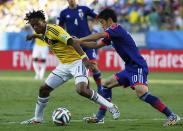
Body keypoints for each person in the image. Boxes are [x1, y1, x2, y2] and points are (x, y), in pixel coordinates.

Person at [75, 8, 180, 126]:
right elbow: (96, 44)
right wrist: (79, 43)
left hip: (137, 66)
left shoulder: (116, 29)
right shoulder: (112, 33)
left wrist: (80, 39)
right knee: (106, 84)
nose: (101, 26)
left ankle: (172, 115)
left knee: (141, 92)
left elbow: (98, 36)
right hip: (129, 68)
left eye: (102, 22)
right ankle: (100, 117)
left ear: (109, 20)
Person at [20, 10, 120, 124]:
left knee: (81, 90)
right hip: (64, 65)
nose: (36, 27)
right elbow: (44, 38)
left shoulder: (54, 30)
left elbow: (73, 42)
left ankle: (111, 106)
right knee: (43, 89)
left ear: (44, 21)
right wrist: (33, 36)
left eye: (37, 24)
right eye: (33, 26)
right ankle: (37, 119)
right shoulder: (44, 32)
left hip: (77, 61)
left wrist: (85, 59)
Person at [58, 0, 110, 123]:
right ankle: (94, 96)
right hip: (73, 45)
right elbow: (60, 28)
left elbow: (97, 16)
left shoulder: (85, 9)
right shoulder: (63, 13)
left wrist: (103, 22)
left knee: (94, 66)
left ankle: (100, 89)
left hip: (86, 43)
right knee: (84, 79)